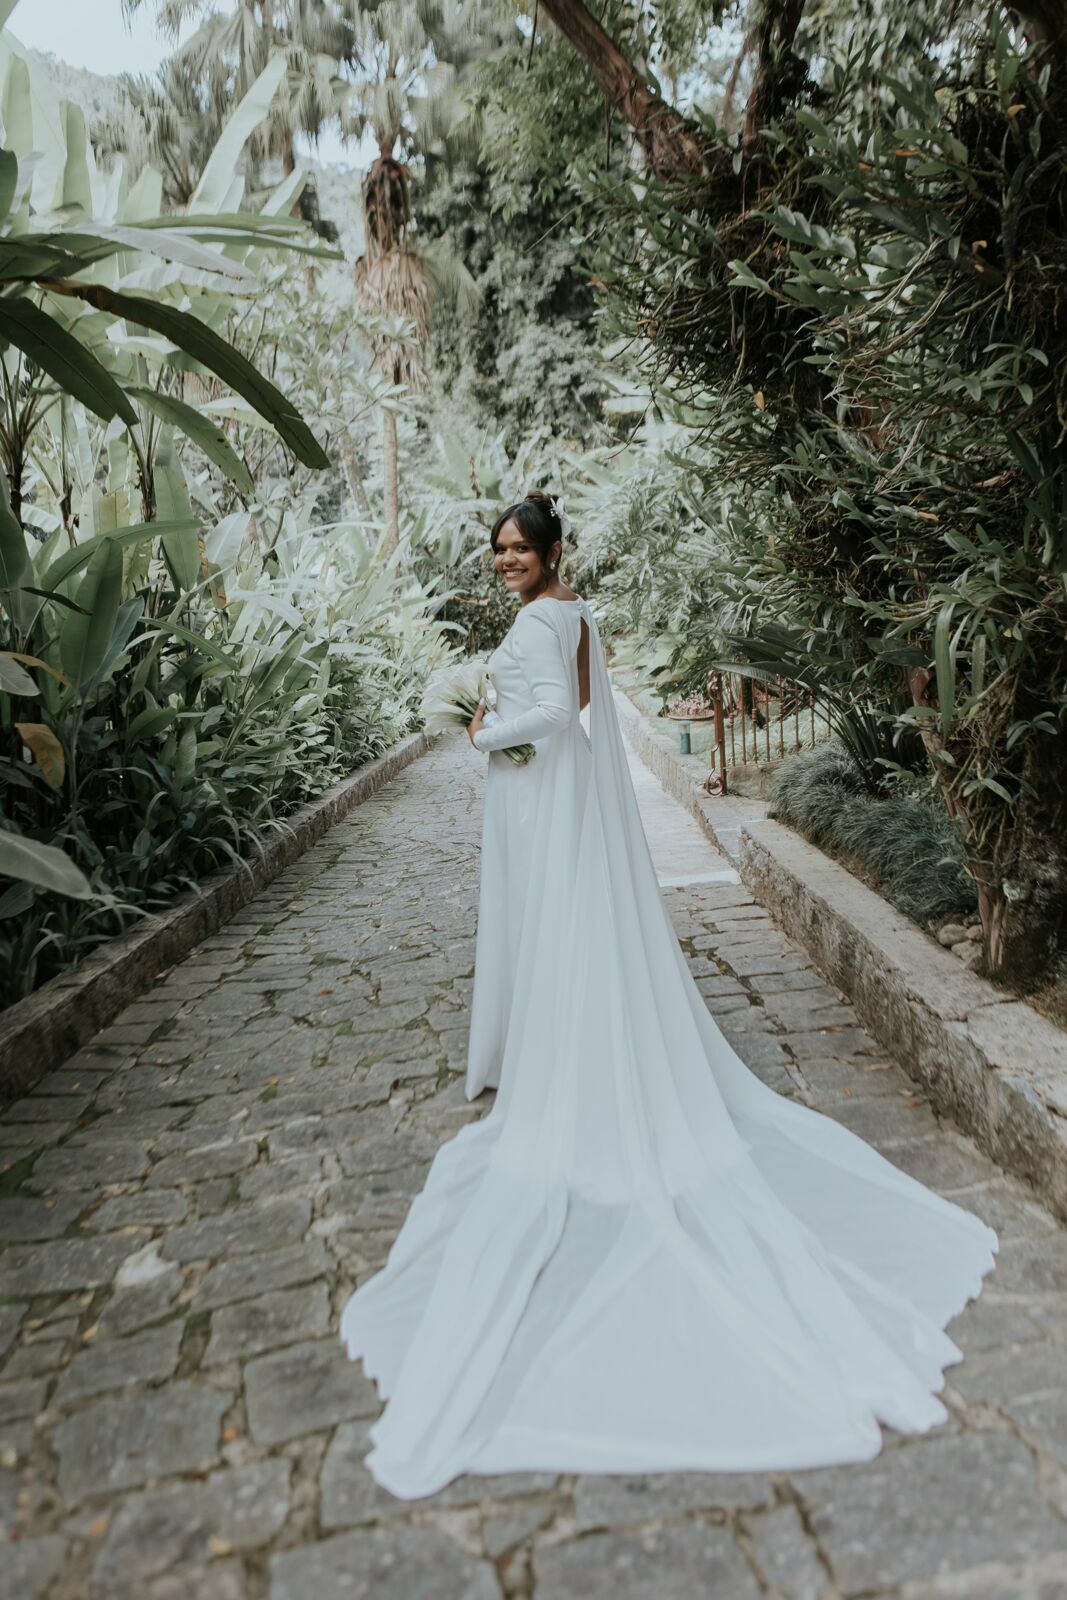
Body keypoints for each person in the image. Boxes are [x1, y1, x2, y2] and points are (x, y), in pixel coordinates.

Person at [340, 491, 998, 1501]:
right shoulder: (574, 614)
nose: (505, 560)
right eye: (499, 550)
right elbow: (581, 712)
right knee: (564, 930)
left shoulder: (538, 621)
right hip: (547, 803)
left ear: (550, 550)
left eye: (520, 549)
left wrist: (487, 731)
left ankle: (563, 1067)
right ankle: (558, 1044)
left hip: (537, 794)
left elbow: (557, 719)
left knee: (552, 929)